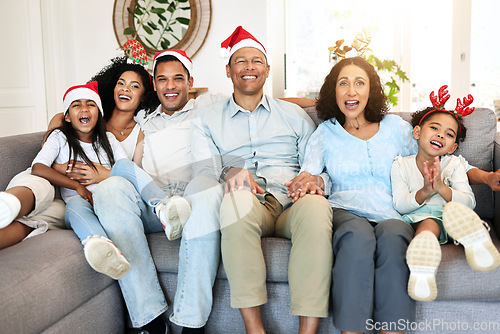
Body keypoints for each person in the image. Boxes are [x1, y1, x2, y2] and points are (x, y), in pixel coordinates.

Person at [191, 26, 333, 334]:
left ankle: (307, 332)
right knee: (235, 202)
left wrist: (316, 181)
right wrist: (228, 171)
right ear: (228, 70)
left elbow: (319, 165)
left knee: (317, 208)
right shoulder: (207, 118)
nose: (249, 67)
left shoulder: (295, 115)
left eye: (256, 61)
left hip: (291, 201)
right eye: (240, 61)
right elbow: (203, 166)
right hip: (249, 200)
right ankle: (255, 330)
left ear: (267, 70)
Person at [91, 49, 225, 334]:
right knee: (109, 190)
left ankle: (191, 325)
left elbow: (251, 95)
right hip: (155, 204)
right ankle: (151, 321)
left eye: (178, 79)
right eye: (162, 79)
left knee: (207, 190)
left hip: (193, 199)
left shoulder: (208, 105)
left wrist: (315, 103)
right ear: (154, 84)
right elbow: (91, 106)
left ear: (190, 81)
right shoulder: (145, 118)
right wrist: (60, 118)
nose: (171, 86)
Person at [0, 48, 156, 250]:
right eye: (121, 83)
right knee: (38, 185)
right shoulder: (90, 115)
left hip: (80, 199)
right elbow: (55, 133)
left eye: (134, 86)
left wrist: (102, 174)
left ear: (144, 95)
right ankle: (10, 203)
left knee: (38, 221)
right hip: (54, 180)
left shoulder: (138, 133)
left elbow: (133, 176)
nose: (126, 89)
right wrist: (60, 167)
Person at [391, 86, 500, 302]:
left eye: (449, 134)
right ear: (417, 132)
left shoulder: (454, 164)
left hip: (454, 216)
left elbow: (468, 201)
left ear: (452, 147)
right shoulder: (400, 165)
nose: (441, 134)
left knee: (455, 212)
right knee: (429, 224)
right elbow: (400, 205)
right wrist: (425, 191)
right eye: (434, 128)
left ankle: (475, 242)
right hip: (424, 219)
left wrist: (441, 187)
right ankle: (423, 259)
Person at [31, 81, 131, 280]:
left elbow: (128, 170)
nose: (84, 108)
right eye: (76, 105)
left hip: (108, 203)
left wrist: (103, 177)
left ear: (99, 114)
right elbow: (38, 167)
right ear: (67, 117)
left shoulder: (109, 140)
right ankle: (99, 246)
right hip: (80, 205)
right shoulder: (60, 138)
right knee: (75, 206)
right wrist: (76, 186)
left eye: (90, 104)